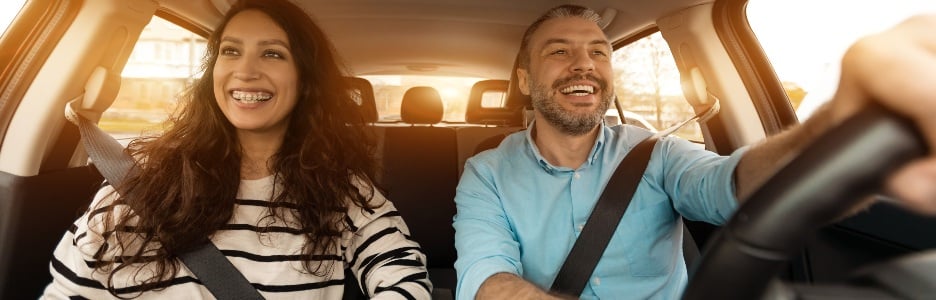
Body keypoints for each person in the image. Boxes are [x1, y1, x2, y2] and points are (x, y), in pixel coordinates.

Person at [453, 4, 936, 300]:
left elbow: (733, 186)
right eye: (559, 51)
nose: (585, 65)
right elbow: (486, 278)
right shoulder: (486, 171)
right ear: (524, 81)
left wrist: (834, 132)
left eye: (599, 51)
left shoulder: (655, 153)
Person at [42, 0, 431, 299]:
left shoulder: (342, 189)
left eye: (272, 53)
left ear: (305, 80)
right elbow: (68, 290)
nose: (245, 71)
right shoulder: (140, 178)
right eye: (230, 51)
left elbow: (404, 276)